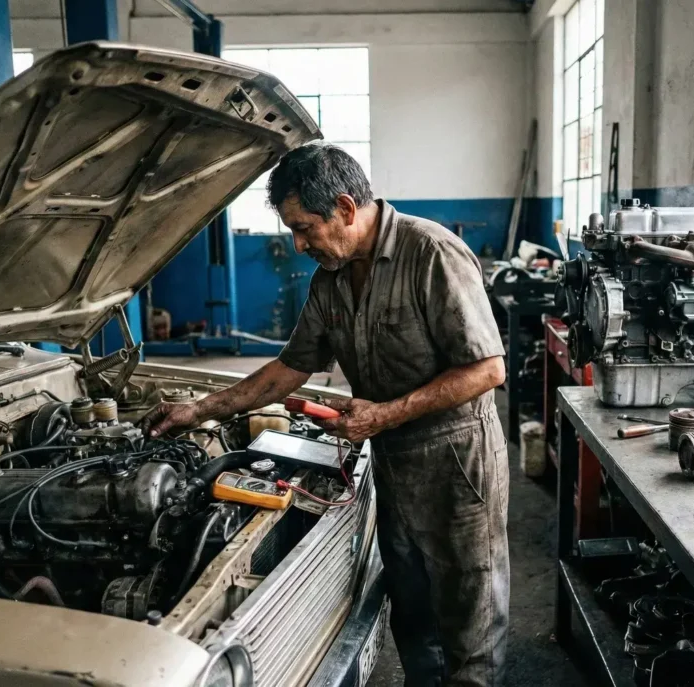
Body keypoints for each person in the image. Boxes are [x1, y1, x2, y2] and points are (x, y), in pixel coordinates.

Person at [143, 143, 510, 687]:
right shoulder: (330, 279)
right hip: (393, 460)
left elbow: (487, 370)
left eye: (304, 228)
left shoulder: (431, 252)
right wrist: (200, 409)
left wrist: (384, 414)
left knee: (469, 613)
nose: (298, 244)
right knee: (412, 609)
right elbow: (291, 367)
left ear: (343, 206)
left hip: (457, 461)